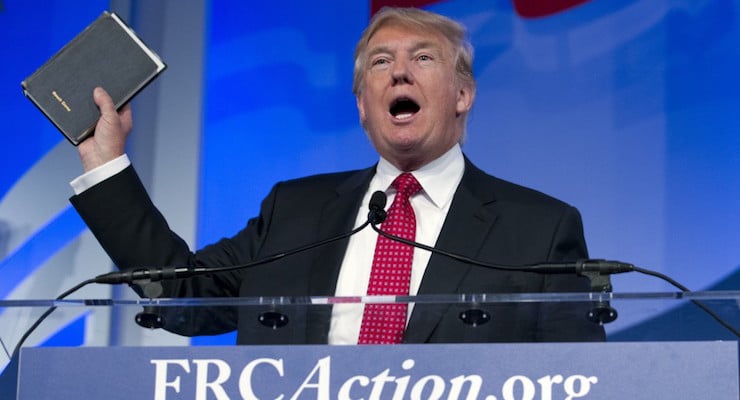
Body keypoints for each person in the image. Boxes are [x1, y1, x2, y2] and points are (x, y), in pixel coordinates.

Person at [69, 7, 605, 344]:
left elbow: (576, 381)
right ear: (362, 107)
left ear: (463, 95)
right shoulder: (295, 211)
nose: (399, 71)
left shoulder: (539, 227)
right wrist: (104, 162)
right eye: (380, 62)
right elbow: (182, 295)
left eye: (422, 58)